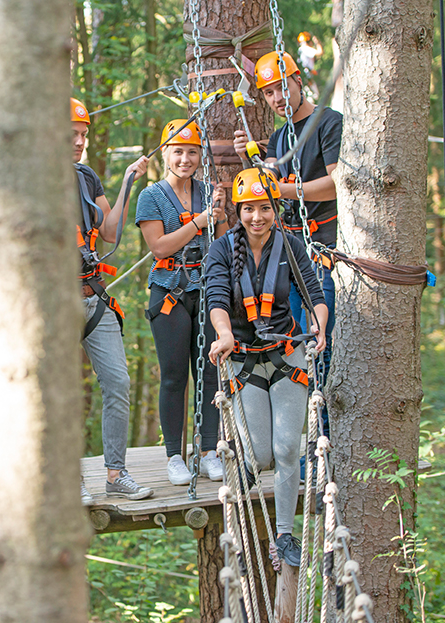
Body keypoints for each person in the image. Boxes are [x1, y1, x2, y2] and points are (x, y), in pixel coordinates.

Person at [206, 167, 328, 568]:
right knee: (257, 453)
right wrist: (223, 334)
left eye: (265, 208)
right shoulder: (222, 250)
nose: (257, 217)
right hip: (243, 359)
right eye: (249, 210)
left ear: (275, 209)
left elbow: (314, 294)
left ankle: (285, 536)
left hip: (286, 354)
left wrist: (319, 324)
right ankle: (240, 532)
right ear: (238, 211)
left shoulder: (290, 245)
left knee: (287, 448)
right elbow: (218, 298)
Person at [233, 51, 341, 445]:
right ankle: (299, 440)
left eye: (282, 87)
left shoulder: (327, 123)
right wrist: (254, 156)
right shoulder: (280, 135)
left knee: (318, 339)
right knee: (291, 343)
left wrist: (283, 189)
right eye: (269, 93)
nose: (278, 98)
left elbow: (335, 183)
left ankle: (323, 438)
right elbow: (274, 173)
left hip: (322, 249)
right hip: (291, 252)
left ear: (299, 81)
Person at [135, 119, 228, 485]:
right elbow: (159, 246)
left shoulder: (209, 192)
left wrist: (218, 217)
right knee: (174, 376)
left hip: (204, 288)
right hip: (170, 291)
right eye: (178, 152)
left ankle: (207, 450)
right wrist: (201, 222)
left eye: (192, 152)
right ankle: (175, 455)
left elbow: (220, 244)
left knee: (207, 373)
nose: (185, 159)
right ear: (166, 154)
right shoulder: (151, 196)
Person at [71, 97, 153, 503]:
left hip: (92, 296)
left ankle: (115, 473)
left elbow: (108, 231)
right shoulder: (34, 180)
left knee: (118, 383)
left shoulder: (86, 178)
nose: (79, 142)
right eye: (71, 134)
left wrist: (126, 184)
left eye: (83, 135)